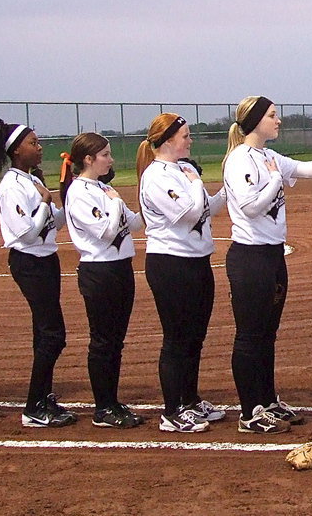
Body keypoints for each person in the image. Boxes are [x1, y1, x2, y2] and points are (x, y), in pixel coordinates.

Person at [222, 96, 312, 434]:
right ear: (255, 121)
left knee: (267, 334)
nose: (278, 120)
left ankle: (267, 400)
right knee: (250, 335)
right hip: (250, 257)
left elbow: (303, 170)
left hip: (271, 255)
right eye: (272, 115)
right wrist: (273, 180)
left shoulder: (268, 156)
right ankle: (248, 411)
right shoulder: (240, 159)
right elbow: (250, 206)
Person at [0, 119, 75, 428]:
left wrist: (64, 194)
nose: (39, 147)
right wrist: (46, 204)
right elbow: (28, 233)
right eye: (33, 143)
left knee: (44, 333)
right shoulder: (12, 185)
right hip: (29, 262)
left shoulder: (31, 179)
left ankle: (43, 397)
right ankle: (34, 403)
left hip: (46, 260)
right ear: (16, 150)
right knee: (53, 334)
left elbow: (56, 224)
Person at [137, 113, 228, 433]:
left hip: (197, 258)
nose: (190, 140)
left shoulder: (184, 169)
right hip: (171, 263)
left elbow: (205, 209)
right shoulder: (157, 175)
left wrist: (225, 192)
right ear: (167, 141)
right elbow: (187, 213)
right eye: (185, 136)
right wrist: (197, 183)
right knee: (177, 338)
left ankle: (190, 398)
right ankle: (172, 410)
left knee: (195, 335)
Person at [60, 133, 147, 429]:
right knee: (103, 341)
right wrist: (114, 203)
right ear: (89, 159)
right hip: (99, 272)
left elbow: (134, 224)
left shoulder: (103, 188)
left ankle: (112, 400)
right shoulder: (79, 192)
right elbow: (106, 232)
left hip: (121, 268)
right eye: (105, 155)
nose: (110, 160)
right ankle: (103, 407)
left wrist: (139, 197)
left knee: (116, 342)